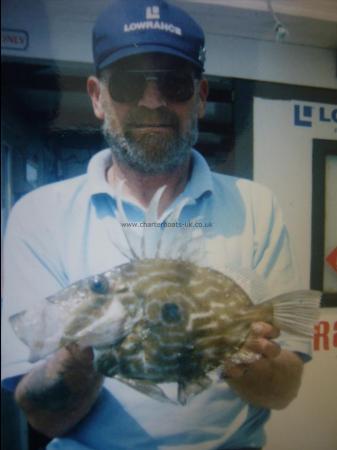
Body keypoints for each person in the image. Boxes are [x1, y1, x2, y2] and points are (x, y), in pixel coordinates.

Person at [2, 1, 311, 449]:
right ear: (96, 97)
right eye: (127, 83)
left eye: (174, 83)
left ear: (200, 97)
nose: (152, 101)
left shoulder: (256, 205)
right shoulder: (38, 215)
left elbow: (284, 391)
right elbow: (41, 414)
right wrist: (77, 357)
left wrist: (240, 351)